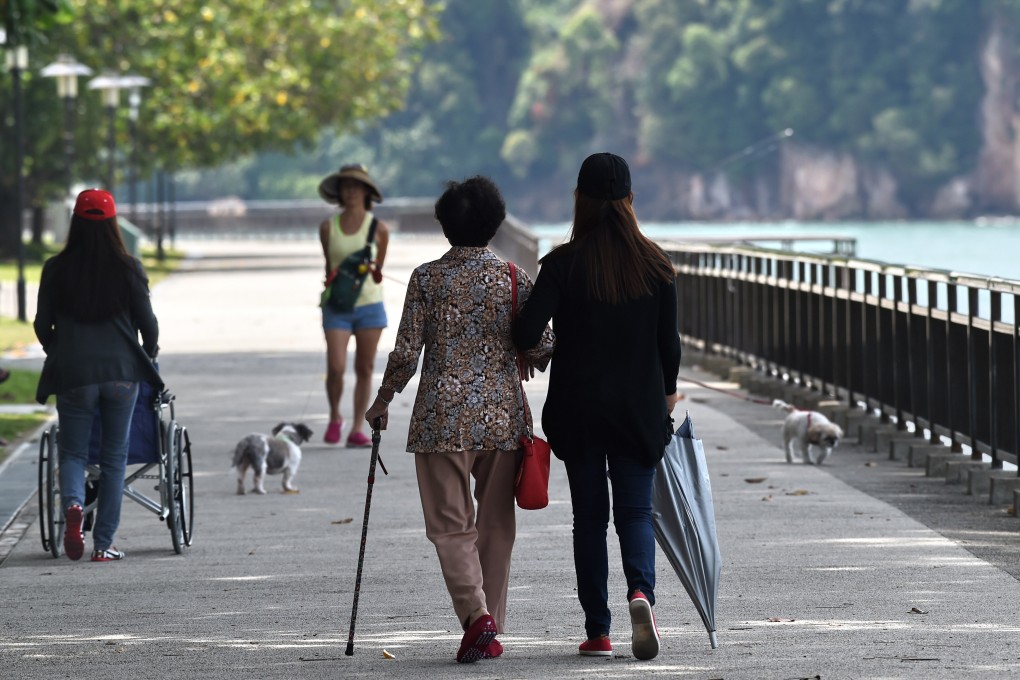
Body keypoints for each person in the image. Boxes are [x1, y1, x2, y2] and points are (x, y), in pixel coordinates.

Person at [365, 176, 554, 663]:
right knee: (495, 525)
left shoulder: (427, 278)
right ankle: (491, 625)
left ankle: (477, 619)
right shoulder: (513, 276)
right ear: (495, 223)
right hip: (501, 416)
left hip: (440, 419)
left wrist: (383, 399)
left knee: (450, 528)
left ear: (445, 224)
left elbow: (407, 352)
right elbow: (543, 344)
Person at [512, 152, 682, 661]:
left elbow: (524, 332)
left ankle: (599, 631)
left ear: (579, 201)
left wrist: (550, 342)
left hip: (579, 411)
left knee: (588, 519)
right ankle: (641, 595)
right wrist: (666, 396)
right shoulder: (657, 265)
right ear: (630, 200)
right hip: (638, 411)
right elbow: (668, 347)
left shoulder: (562, 264)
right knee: (634, 512)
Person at [34, 188, 161, 563]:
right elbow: (148, 326)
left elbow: (42, 325)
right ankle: (103, 544)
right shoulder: (129, 268)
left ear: (74, 222)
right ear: (112, 224)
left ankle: (74, 506)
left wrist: (58, 351)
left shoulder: (55, 269)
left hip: (74, 373)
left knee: (72, 451)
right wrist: (147, 358)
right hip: (122, 374)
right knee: (114, 457)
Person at [317, 164, 390, 448]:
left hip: (370, 305)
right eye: (345, 186)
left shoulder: (379, 229)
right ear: (339, 191)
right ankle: (335, 415)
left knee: (365, 367)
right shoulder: (327, 227)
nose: (350, 191)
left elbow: (378, 269)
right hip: (337, 304)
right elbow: (328, 265)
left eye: (356, 186)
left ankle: (358, 426)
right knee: (335, 366)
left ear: (366, 191)